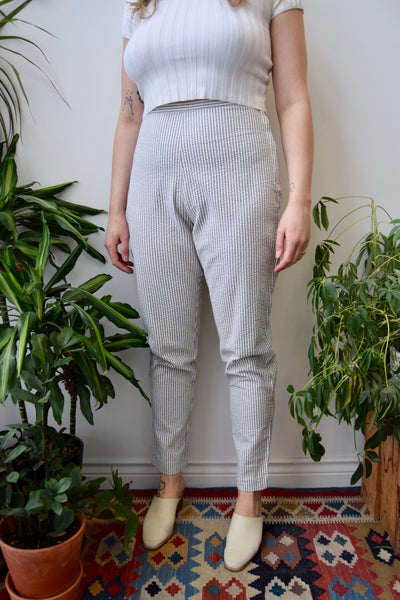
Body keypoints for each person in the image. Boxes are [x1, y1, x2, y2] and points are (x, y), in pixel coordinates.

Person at [105, 0, 313, 572]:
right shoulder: (139, 7)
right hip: (154, 175)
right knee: (167, 345)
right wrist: (116, 208)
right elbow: (129, 115)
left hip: (238, 164)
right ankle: (169, 481)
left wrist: (299, 198)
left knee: (246, 346)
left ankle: (248, 496)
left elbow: (293, 98)